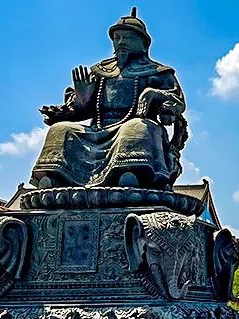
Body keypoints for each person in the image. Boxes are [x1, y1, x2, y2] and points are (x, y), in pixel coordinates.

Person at [31, 7, 187, 190]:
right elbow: (81, 110)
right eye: (117, 38)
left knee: (136, 128)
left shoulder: (158, 72)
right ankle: (58, 176)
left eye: (127, 38)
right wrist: (82, 97)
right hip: (98, 128)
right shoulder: (100, 72)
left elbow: (177, 101)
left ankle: (130, 172)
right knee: (61, 129)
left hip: (136, 125)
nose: (121, 42)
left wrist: (155, 94)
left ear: (144, 44)